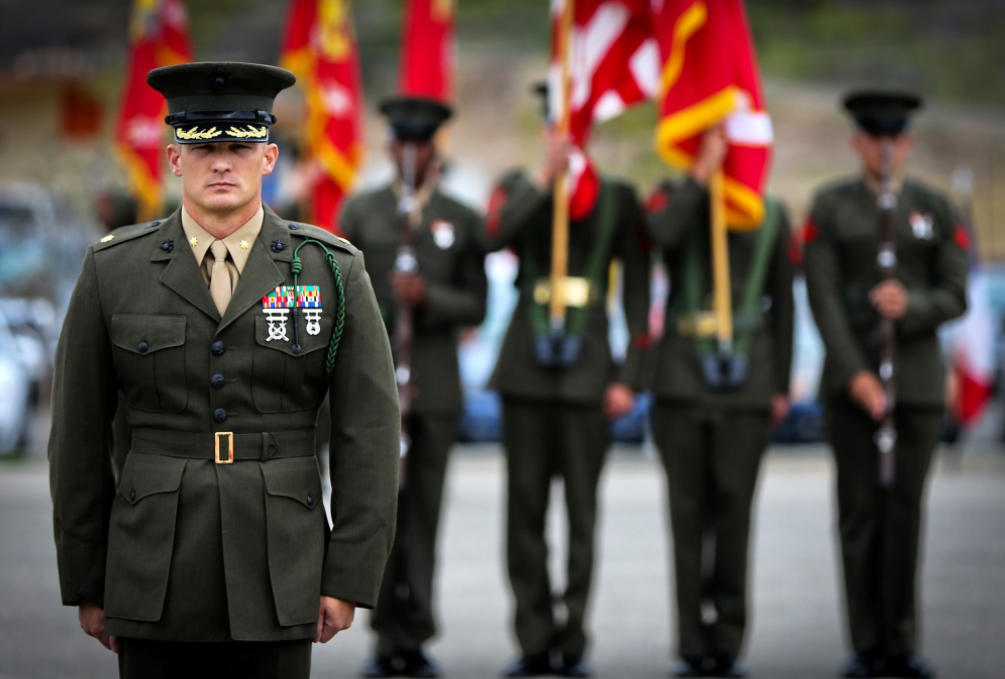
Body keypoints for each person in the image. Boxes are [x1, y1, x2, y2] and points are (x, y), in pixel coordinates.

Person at [48, 61, 400, 679]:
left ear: (269, 158)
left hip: (281, 570)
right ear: (174, 157)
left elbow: (368, 434)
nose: (220, 163)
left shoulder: (330, 270)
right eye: (201, 146)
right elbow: (76, 436)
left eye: (239, 146)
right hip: (150, 569)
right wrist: (88, 578)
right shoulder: (113, 271)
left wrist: (348, 576)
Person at [482, 84, 651, 678]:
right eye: (557, 123)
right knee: (523, 514)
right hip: (527, 372)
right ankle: (533, 636)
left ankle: (574, 639)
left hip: (590, 376)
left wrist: (631, 375)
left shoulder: (618, 198)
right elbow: (492, 237)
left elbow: (636, 290)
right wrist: (544, 178)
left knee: (582, 516)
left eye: (577, 125)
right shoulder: (519, 185)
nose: (567, 134)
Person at [804, 91, 969, 679]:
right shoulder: (830, 206)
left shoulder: (934, 208)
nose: (885, 148)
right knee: (858, 515)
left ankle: (901, 641)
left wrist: (912, 304)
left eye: (895, 138)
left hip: (916, 387)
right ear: (857, 143)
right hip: (854, 387)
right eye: (874, 138)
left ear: (908, 143)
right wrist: (855, 375)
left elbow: (957, 294)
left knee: (904, 514)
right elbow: (821, 296)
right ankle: (865, 642)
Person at [338, 96, 488, 679]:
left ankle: (417, 633)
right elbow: (341, 294)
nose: (409, 154)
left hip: (437, 391)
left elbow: (477, 301)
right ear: (387, 147)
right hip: (378, 389)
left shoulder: (461, 216)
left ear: (433, 150)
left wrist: (431, 297)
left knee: (425, 515)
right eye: (400, 143)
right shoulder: (364, 211)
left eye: (419, 144)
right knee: (382, 514)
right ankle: (383, 637)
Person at [645, 126, 794, 678]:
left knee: (735, 516)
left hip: (747, 385)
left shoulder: (770, 213)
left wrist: (778, 384)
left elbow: (785, 305)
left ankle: (728, 638)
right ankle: (690, 642)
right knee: (685, 519)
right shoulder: (676, 194)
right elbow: (658, 233)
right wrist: (699, 174)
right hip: (682, 381)